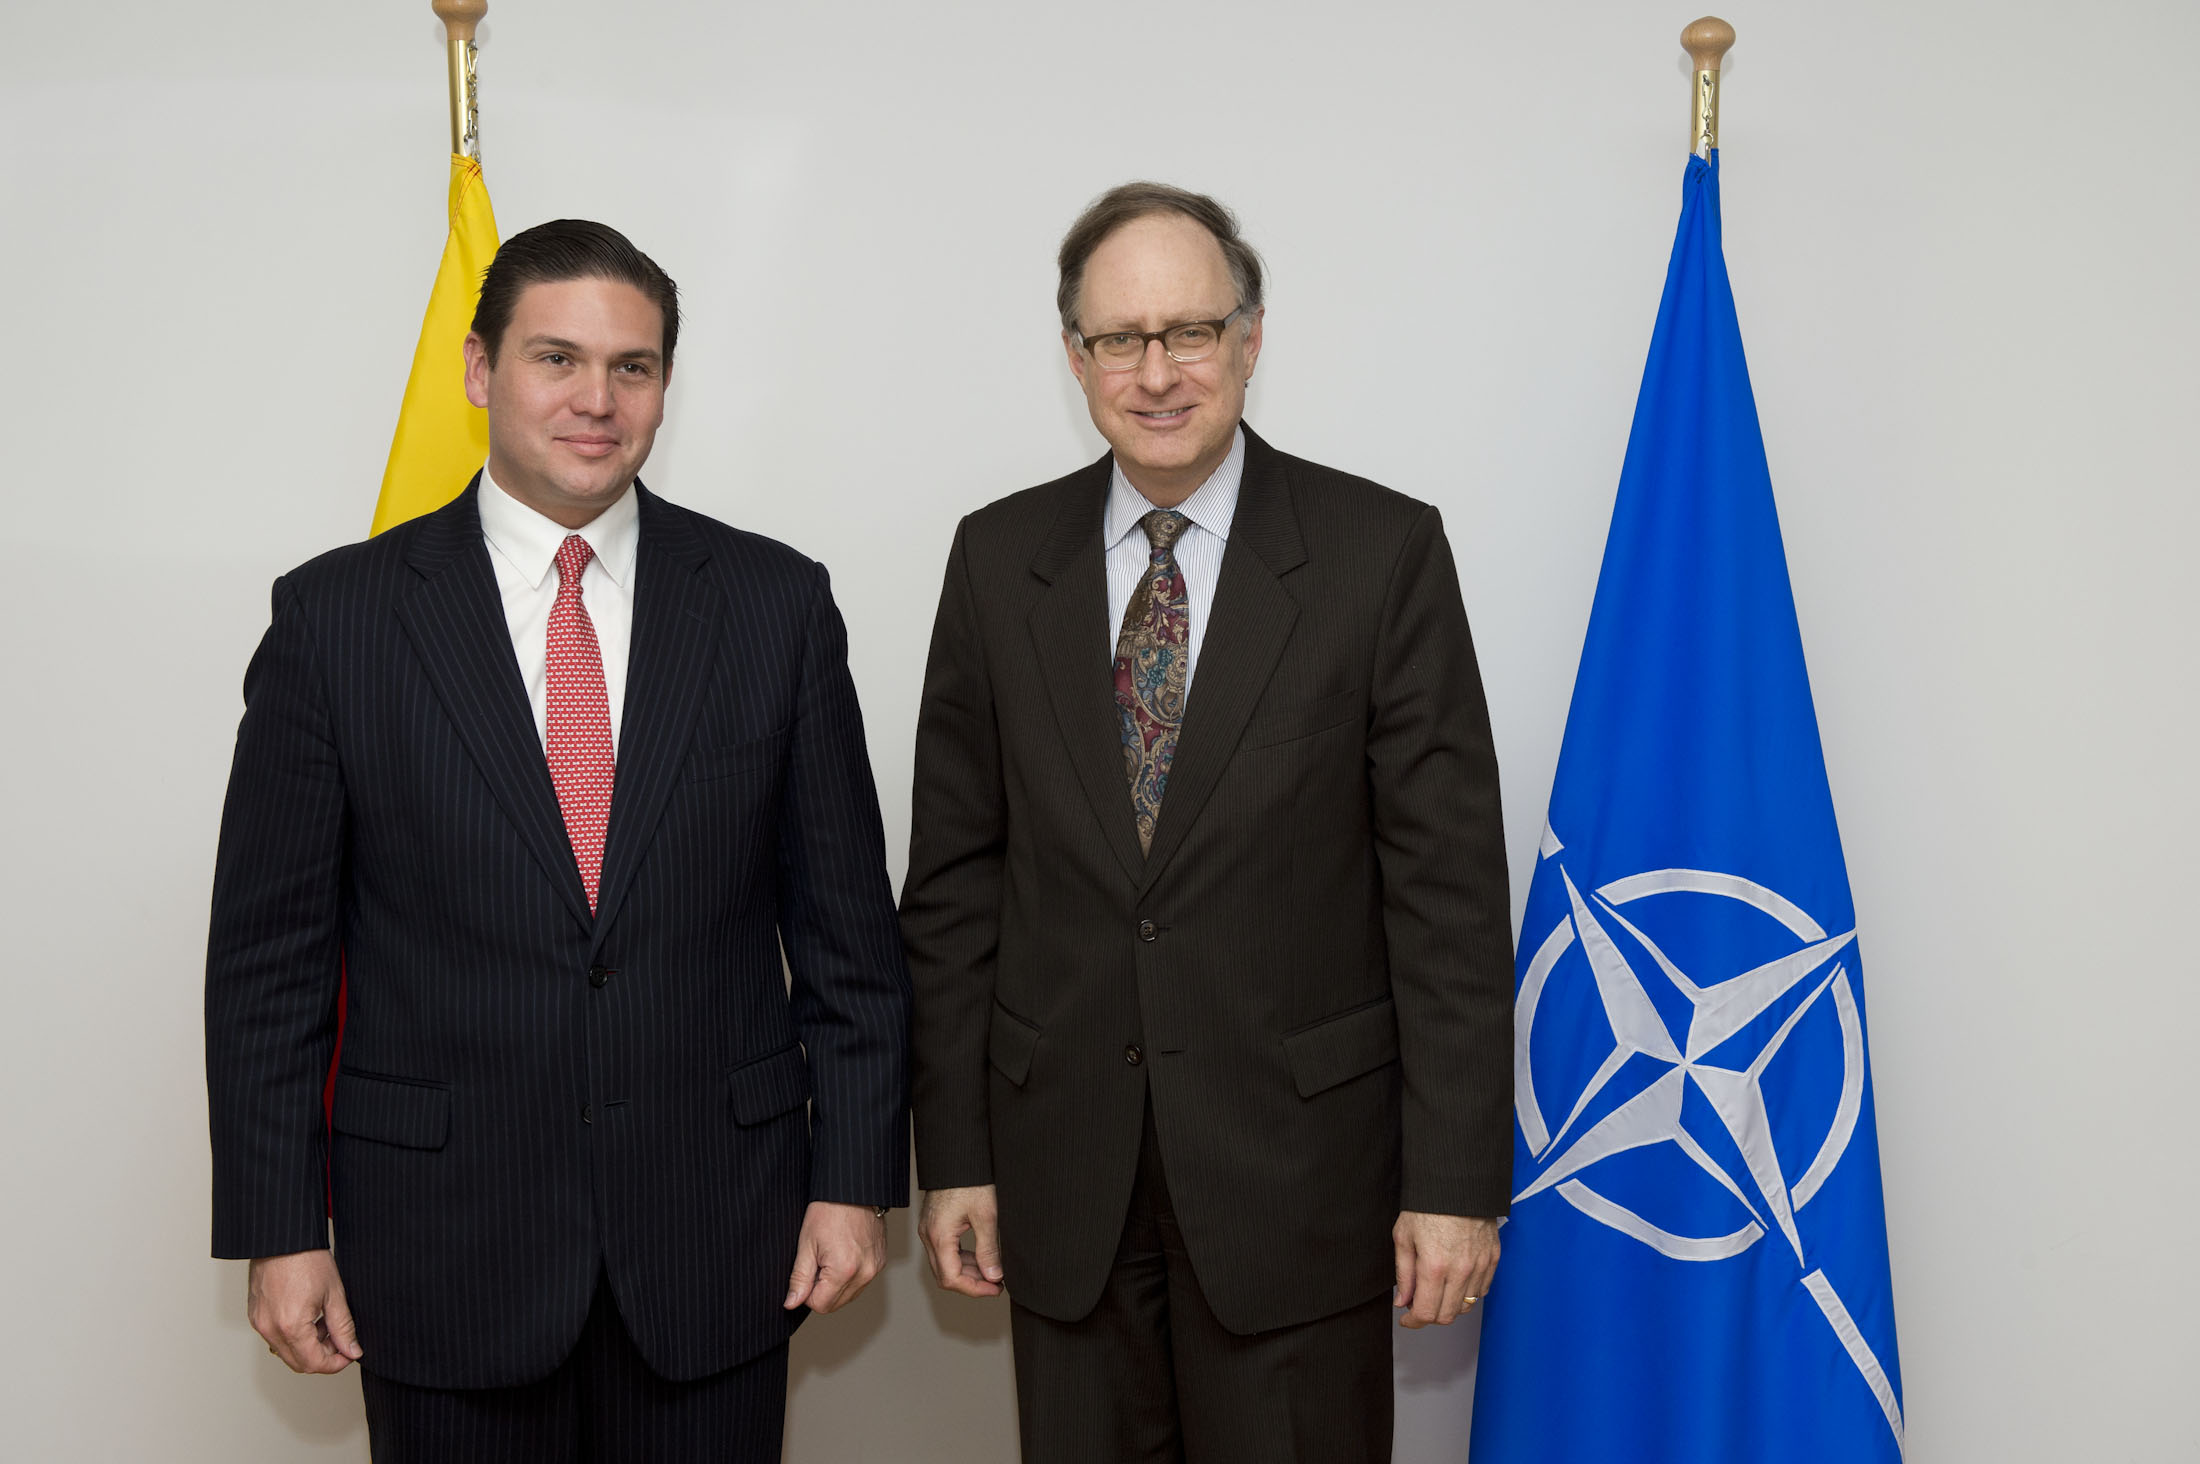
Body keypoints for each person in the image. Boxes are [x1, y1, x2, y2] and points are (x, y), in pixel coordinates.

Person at [205, 218, 910, 1462]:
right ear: (480, 370)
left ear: (664, 386)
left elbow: (850, 942)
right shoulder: (338, 620)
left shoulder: (775, 605)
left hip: (716, 1249)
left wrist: (852, 1181)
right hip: (438, 1254)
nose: (596, 400)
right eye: (557, 359)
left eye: (631, 367)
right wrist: (280, 1225)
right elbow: (269, 966)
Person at [901, 182, 1515, 1462]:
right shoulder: (993, 559)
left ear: (1249, 338)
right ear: (1074, 357)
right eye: (1120, 339)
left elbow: (1446, 902)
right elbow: (956, 882)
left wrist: (1453, 1186)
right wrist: (953, 1151)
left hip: (1300, 1188)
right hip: (1063, 1181)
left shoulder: (1379, 553)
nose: (1157, 372)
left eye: (1190, 331)